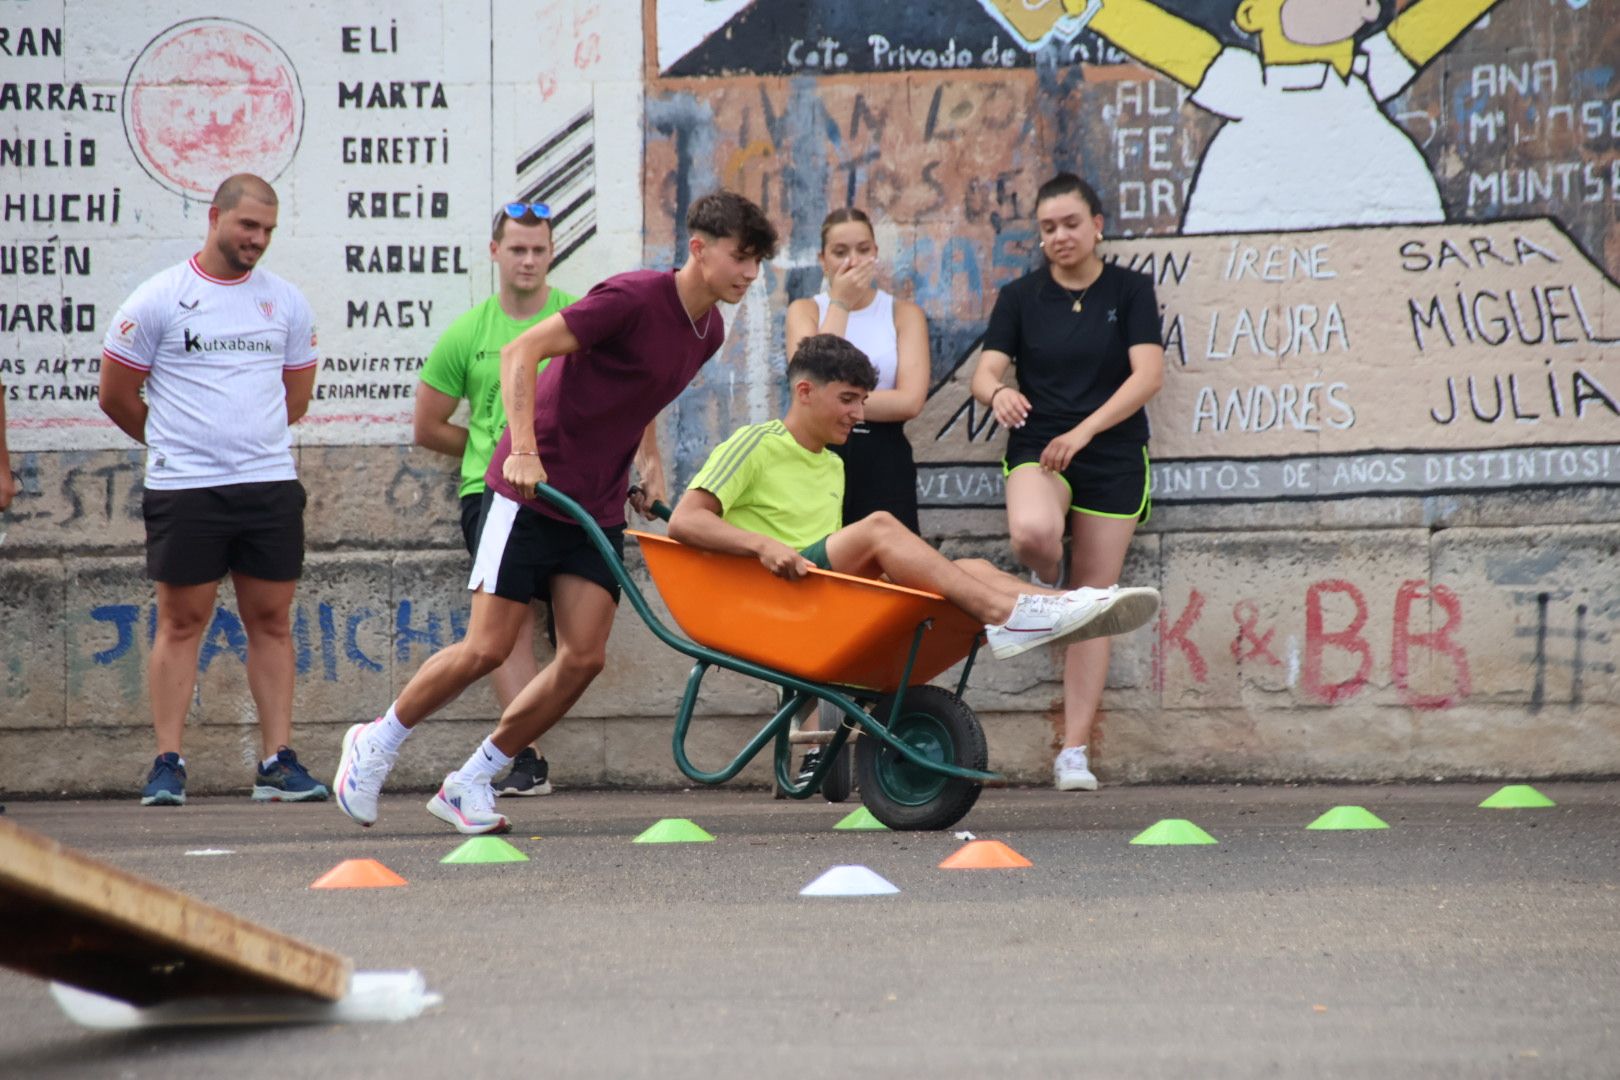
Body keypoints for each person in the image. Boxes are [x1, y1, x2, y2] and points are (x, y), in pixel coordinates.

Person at [333, 191, 779, 835]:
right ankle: (376, 740)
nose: (749, 274)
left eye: (757, 263)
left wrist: (640, 470)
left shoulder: (709, 330)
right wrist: (524, 451)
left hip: (592, 506)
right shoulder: (631, 298)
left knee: (584, 657)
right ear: (699, 249)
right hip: (527, 493)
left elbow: (636, 396)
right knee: (487, 647)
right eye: (740, 258)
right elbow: (523, 353)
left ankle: (473, 780)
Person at [668, 334, 1160, 666]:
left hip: (818, 587)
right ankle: (1002, 616)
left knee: (972, 568)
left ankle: (1073, 606)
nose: (859, 413)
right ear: (804, 392)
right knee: (880, 523)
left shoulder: (832, 463)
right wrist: (761, 546)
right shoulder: (756, 443)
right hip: (774, 590)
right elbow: (685, 522)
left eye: (863, 400)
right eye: (848, 400)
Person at [99, 174, 327, 807]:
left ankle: (277, 762)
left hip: (268, 487)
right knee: (181, 622)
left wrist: (246, 442)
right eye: (248, 226)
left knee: (272, 622)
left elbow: (296, 397)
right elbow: (116, 396)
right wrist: (176, 441)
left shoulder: (285, 302)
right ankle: (168, 762)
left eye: (268, 231)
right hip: (187, 490)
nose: (257, 240)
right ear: (216, 217)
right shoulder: (158, 300)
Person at [970, 172, 1166, 792]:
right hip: (1038, 447)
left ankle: (1073, 752)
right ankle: (1045, 578)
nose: (1060, 236)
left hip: (1110, 454)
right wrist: (998, 392)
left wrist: (1083, 433)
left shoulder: (1130, 290)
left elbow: (1148, 376)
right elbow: (985, 371)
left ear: (1098, 224)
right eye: (1048, 227)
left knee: (1095, 604)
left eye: (1071, 223)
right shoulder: (1021, 297)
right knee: (1032, 533)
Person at [414, 202, 579, 797]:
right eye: (517, 249)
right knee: (505, 628)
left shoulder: (576, 317)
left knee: (577, 635)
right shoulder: (469, 331)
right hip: (493, 496)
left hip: (573, 494)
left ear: (552, 251)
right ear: (494, 252)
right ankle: (525, 756)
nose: (528, 260)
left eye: (538, 249)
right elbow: (427, 425)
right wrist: (495, 454)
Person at [783, 208, 931, 782]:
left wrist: (843, 400)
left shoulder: (903, 313)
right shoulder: (808, 310)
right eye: (839, 252)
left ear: (877, 253)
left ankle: (881, 739)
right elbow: (808, 378)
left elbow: (911, 399)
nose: (852, 262)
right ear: (823, 261)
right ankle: (815, 744)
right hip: (819, 457)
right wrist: (839, 307)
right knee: (821, 590)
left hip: (883, 459)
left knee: (891, 594)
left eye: (862, 249)